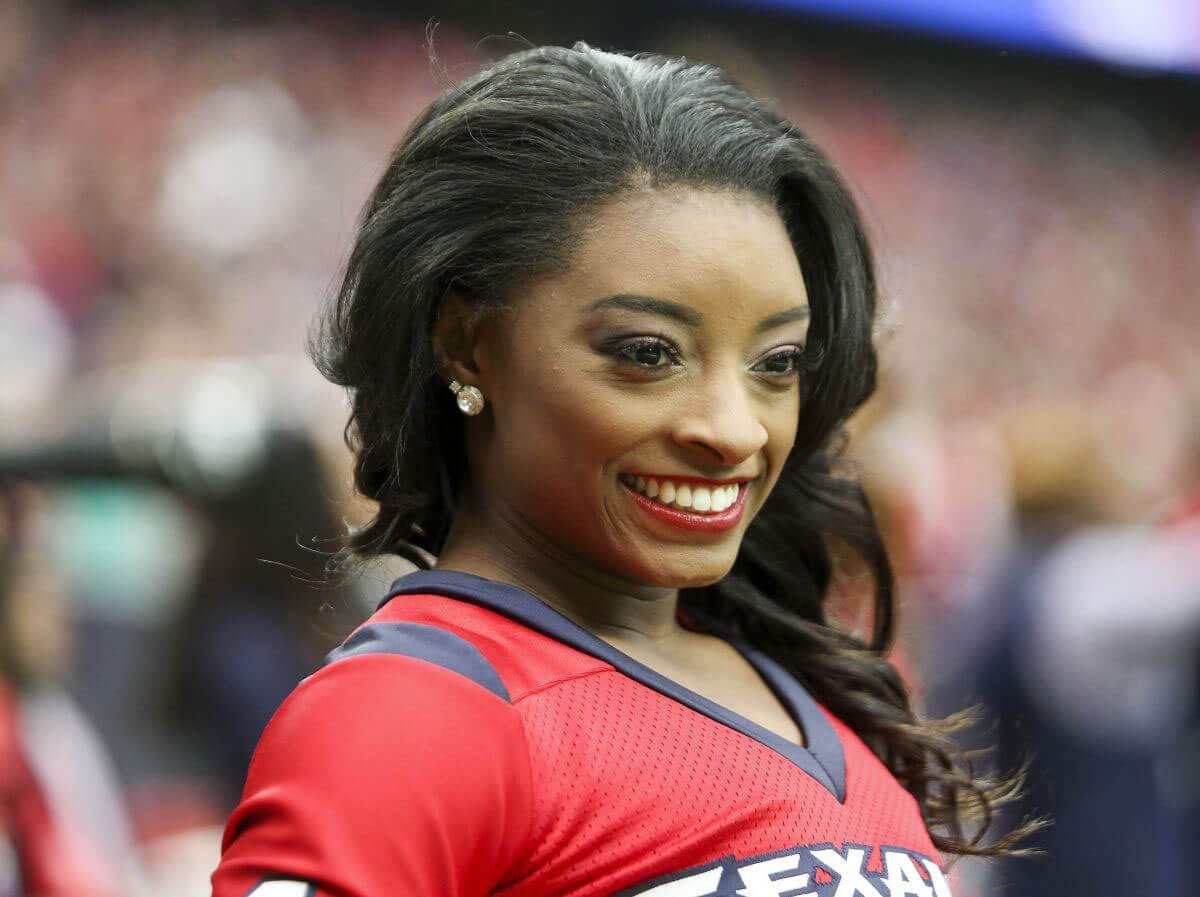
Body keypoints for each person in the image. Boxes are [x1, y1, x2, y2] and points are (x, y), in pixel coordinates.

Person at [211, 43, 1033, 897]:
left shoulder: (810, 692)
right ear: (465, 342)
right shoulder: (411, 711)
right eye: (649, 353)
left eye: (777, 361)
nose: (733, 428)